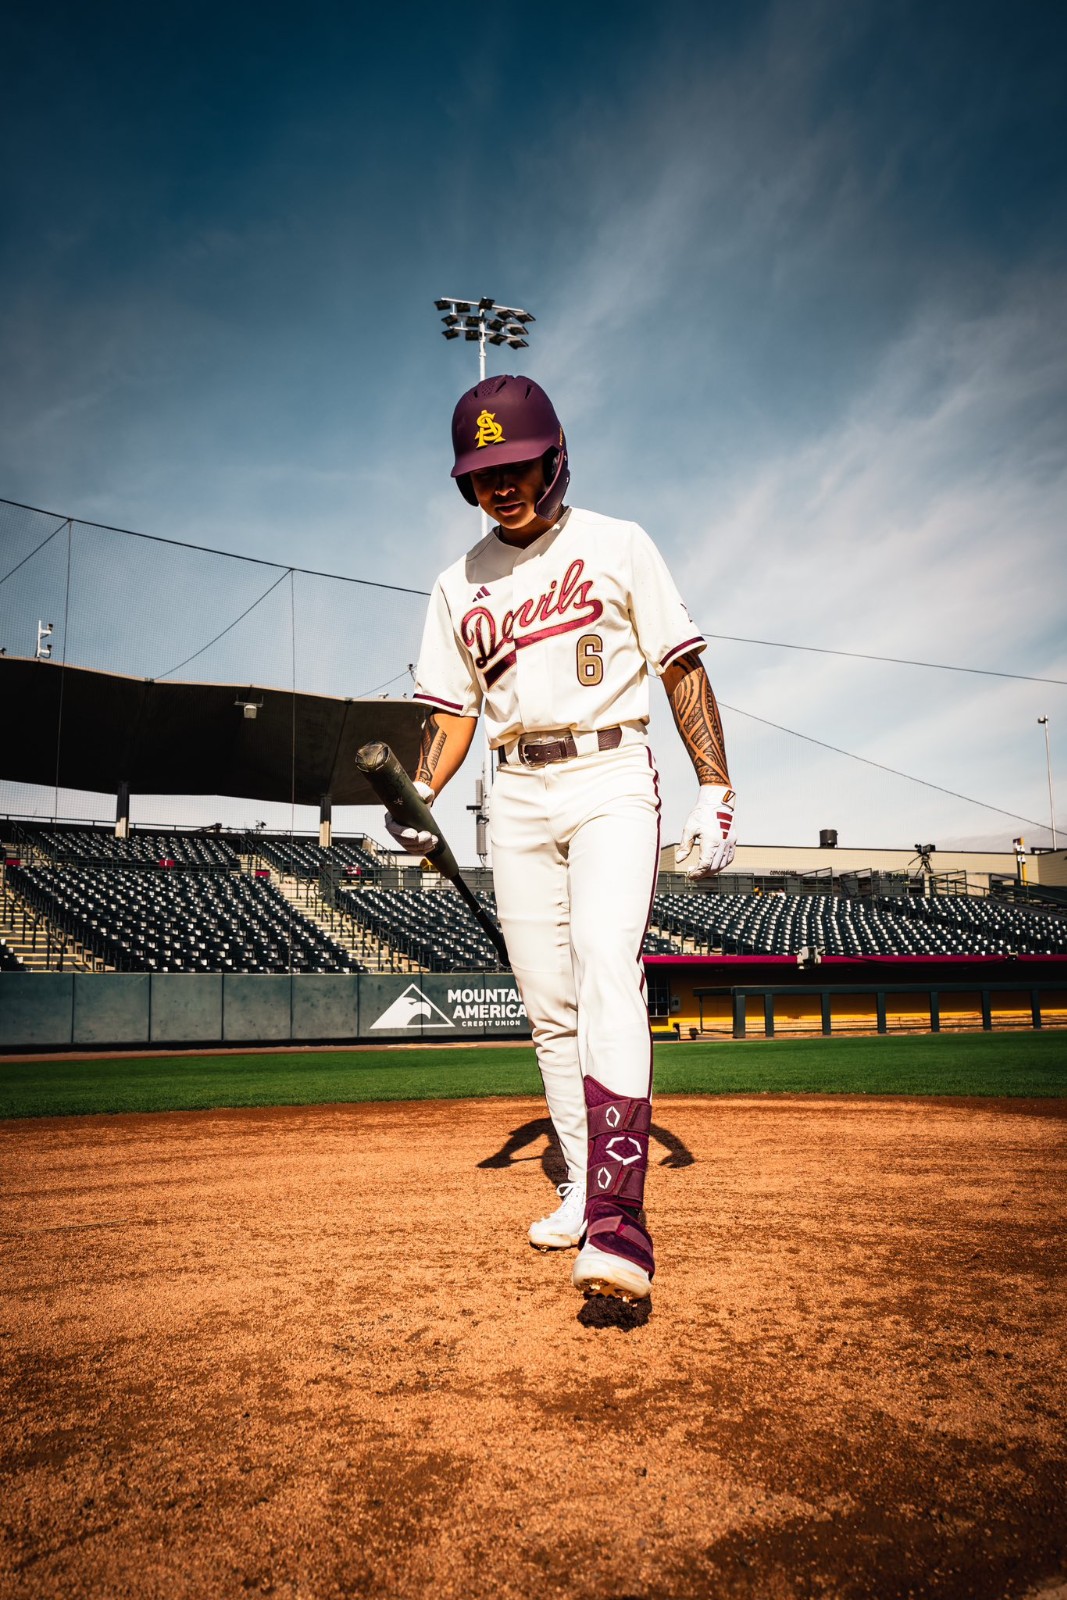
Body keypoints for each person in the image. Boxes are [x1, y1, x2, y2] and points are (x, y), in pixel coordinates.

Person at [387, 375, 735, 1302]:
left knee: (604, 966)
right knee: (548, 1007)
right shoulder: (456, 583)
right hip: (515, 791)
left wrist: (715, 788)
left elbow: (680, 666)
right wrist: (420, 794)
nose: (500, 484)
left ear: (554, 458)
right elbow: (453, 712)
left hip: (611, 771)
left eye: (516, 464)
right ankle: (582, 1184)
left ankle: (620, 1220)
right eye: (482, 472)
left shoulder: (619, 543)